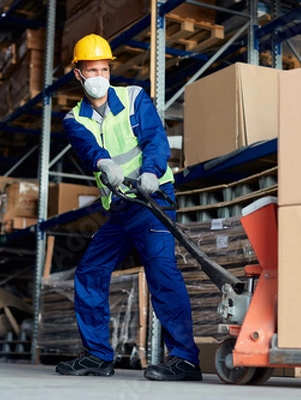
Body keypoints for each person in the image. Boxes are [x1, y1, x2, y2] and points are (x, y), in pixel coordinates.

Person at [55, 34, 201, 381]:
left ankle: (185, 359)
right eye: (92, 70)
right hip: (122, 209)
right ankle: (97, 356)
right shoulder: (74, 119)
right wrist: (104, 163)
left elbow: (154, 139)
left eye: (105, 68)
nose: (99, 76)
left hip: (153, 200)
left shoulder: (134, 98)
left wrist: (151, 171)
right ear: (78, 74)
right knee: (90, 272)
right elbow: (89, 148)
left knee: (162, 272)